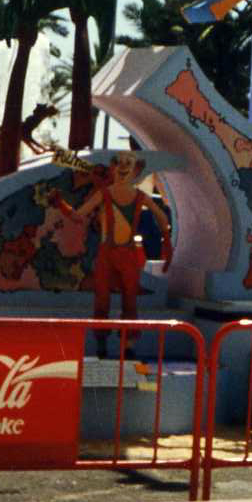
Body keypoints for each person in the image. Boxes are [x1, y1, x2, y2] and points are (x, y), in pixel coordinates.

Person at [49, 150, 172, 354]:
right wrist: (61, 204)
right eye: (120, 163)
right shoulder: (104, 194)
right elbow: (79, 216)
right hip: (107, 254)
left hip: (127, 255)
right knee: (102, 300)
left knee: (130, 301)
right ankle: (102, 345)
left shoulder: (140, 196)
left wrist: (167, 245)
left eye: (128, 163)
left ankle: (128, 346)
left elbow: (162, 217)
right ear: (114, 168)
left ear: (135, 171)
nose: (123, 167)